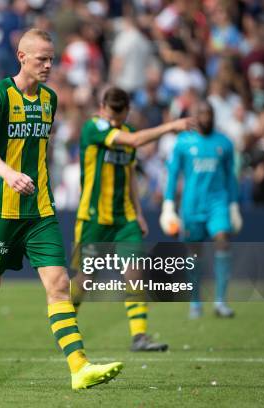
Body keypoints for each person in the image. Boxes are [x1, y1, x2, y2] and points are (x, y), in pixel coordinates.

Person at [0, 28, 122, 390]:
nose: (48, 65)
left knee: (59, 284)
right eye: (42, 59)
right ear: (22, 57)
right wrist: (9, 175)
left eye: (51, 59)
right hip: (1, 208)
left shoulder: (49, 99)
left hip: (40, 209)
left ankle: (79, 367)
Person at [71, 86, 194, 351]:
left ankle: (139, 336)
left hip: (124, 219)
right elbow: (136, 141)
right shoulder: (94, 128)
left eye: (119, 115)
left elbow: (128, 178)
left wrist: (138, 213)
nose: (114, 120)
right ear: (102, 107)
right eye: (110, 114)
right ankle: (64, 321)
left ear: (127, 111)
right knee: (86, 278)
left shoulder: (126, 133)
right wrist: (171, 126)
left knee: (136, 273)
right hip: (94, 218)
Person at [160, 100, 242, 318]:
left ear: (213, 116)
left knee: (223, 239)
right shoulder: (183, 142)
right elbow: (173, 175)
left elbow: (231, 177)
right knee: (194, 254)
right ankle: (195, 302)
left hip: (218, 204)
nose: (205, 117)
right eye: (201, 113)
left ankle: (220, 301)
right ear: (194, 116)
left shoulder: (224, 143)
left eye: (208, 113)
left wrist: (233, 206)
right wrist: (168, 206)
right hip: (192, 205)